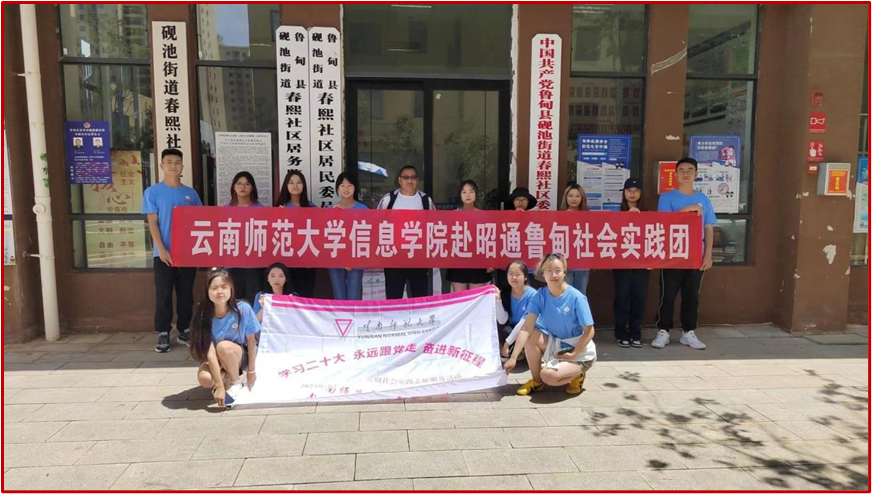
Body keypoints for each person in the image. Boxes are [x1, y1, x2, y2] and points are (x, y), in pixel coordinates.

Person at [503, 253, 596, 396]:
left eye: (558, 270)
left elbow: (590, 331)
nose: (554, 275)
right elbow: (526, 328)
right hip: (556, 344)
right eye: (549, 271)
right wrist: (513, 358)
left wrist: (575, 353)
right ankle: (537, 382)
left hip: (579, 349)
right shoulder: (540, 295)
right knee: (531, 335)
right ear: (543, 274)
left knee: (548, 376)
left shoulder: (577, 297)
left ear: (564, 272)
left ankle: (578, 374)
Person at [142, 149, 203, 353]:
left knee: (186, 294)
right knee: (163, 294)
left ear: (182, 166)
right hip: (163, 254)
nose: (173, 165)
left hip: (187, 254)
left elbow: (201, 220)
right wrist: (161, 249)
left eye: (177, 162)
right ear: (161, 165)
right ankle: (163, 331)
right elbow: (152, 223)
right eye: (169, 162)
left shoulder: (191, 194)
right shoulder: (152, 192)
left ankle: (184, 329)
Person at [653, 157, 715, 351]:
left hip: (696, 255)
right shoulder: (666, 198)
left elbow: (708, 228)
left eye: (690, 170)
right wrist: (689, 209)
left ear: (696, 174)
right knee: (668, 294)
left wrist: (708, 255)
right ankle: (663, 330)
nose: (686, 173)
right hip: (672, 254)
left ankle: (688, 332)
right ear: (676, 174)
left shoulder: (704, 199)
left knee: (691, 295)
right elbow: (664, 224)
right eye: (681, 170)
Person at [191, 269, 260, 408]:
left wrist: (251, 371)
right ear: (207, 291)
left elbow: (251, 341)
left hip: (240, 355)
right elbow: (210, 352)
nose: (220, 291)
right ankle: (225, 377)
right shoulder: (203, 315)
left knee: (223, 346)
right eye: (214, 288)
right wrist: (219, 385)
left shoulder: (243, 308)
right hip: (217, 357)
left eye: (224, 287)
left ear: (231, 289)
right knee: (205, 379)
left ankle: (236, 384)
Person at [376, 165, 435, 300]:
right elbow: (377, 224)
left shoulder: (425, 200)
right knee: (393, 300)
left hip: (418, 257)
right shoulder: (389, 199)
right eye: (406, 177)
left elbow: (434, 226)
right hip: (394, 257)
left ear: (417, 180)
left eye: (413, 177)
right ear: (399, 180)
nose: (409, 181)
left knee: (419, 299)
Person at [613, 178, 649, 349]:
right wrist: (627, 216)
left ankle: (636, 333)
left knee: (638, 298)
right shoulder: (617, 212)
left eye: (636, 190)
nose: (632, 194)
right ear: (624, 193)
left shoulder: (649, 213)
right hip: (622, 262)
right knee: (622, 297)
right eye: (629, 190)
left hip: (643, 262)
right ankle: (621, 333)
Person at [276, 170, 317, 298]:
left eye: (299, 182)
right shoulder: (279, 208)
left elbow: (318, 235)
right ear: (286, 185)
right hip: (286, 259)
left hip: (306, 260)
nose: (295, 185)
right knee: (288, 296)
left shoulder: (312, 208)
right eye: (291, 182)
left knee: (306, 296)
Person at [445, 180, 493, 292]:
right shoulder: (453, 215)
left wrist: (491, 260)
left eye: (471, 191)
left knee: (475, 298)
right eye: (464, 192)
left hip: (478, 261)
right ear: (460, 195)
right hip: (458, 260)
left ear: (476, 194)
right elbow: (447, 238)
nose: (467, 195)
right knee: (460, 298)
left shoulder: (484, 215)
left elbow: (489, 238)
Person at [227, 171, 265, 305]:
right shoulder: (225, 210)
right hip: (232, 262)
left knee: (252, 298)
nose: (243, 187)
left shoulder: (261, 209)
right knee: (233, 300)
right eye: (239, 184)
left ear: (252, 187)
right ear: (233, 187)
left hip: (254, 263)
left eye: (247, 184)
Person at [330, 172, 368, 300]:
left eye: (349, 185)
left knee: (354, 296)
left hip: (356, 258)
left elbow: (366, 236)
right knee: (339, 296)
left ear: (355, 187)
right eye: (342, 185)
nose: (346, 189)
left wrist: (351, 259)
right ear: (337, 188)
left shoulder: (363, 209)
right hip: (335, 257)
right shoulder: (331, 209)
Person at [496, 260, 537, 362]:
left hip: (528, 329)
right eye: (510, 274)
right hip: (511, 329)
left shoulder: (533, 295)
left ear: (525, 277)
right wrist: (498, 301)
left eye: (518, 274)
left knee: (527, 331)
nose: (514, 278)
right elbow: (502, 321)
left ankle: (517, 351)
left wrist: (507, 343)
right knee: (501, 326)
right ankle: (514, 351)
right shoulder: (504, 293)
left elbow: (525, 323)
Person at [560, 183, 591, 296]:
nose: (574, 199)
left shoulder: (589, 216)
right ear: (566, 197)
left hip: (583, 261)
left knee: (580, 294)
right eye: (570, 195)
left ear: (582, 198)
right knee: (565, 294)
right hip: (564, 261)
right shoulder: (558, 216)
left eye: (577, 196)